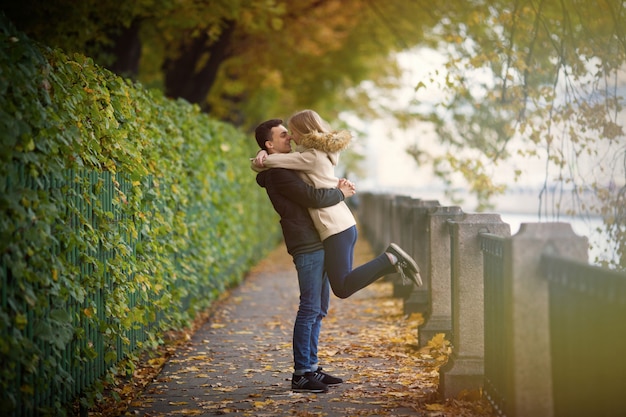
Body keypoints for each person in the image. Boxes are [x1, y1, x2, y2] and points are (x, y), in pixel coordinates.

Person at [253, 109, 422, 300]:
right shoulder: (318, 153)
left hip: (333, 225)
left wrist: (261, 157)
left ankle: (390, 259)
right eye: (287, 133)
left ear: (304, 131)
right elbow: (271, 170)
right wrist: (262, 153)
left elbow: (272, 163)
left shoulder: (310, 157)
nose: (291, 137)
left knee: (342, 287)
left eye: (292, 131)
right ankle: (390, 262)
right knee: (344, 283)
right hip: (342, 223)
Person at [254, 118, 354, 393]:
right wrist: (341, 192)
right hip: (306, 243)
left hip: (316, 239)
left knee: (319, 308)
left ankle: (312, 368)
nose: (290, 138)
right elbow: (313, 197)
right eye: (283, 135)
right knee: (309, 308)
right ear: (269, 144)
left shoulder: (285, 166)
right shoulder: (278, 173)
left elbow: (314, 180)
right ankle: (301, 374)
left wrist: (335, 183)